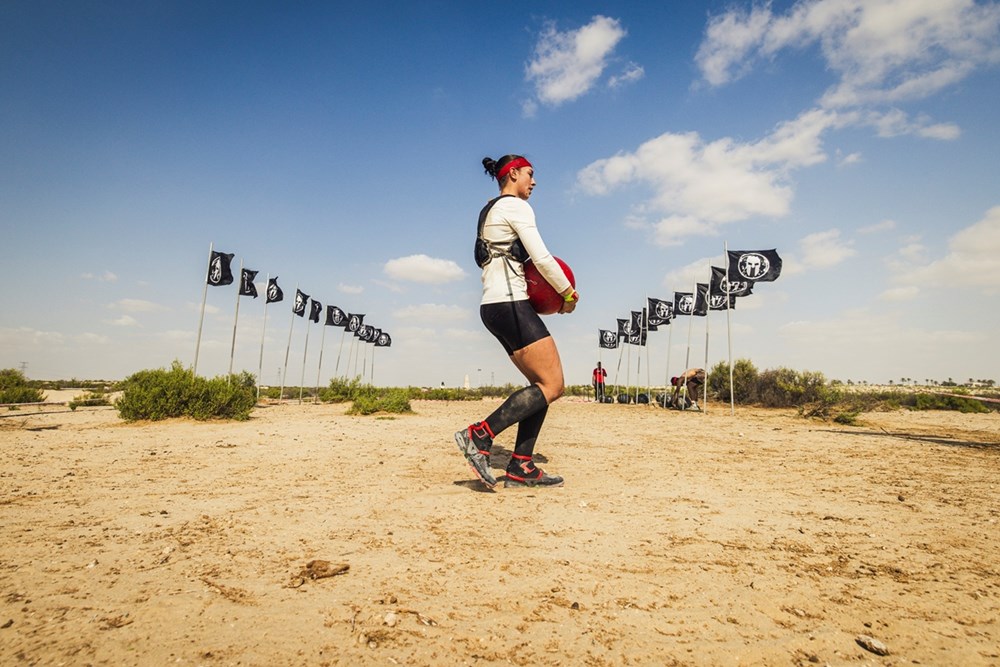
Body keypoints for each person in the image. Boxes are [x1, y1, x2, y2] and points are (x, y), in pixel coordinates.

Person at [454, 154, 578, 490]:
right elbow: (542, 258)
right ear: (512, 174)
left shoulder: (489, 209)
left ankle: (521, 465)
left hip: (494, 306)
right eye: (530, 174)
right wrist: (568, 294)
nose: (534, 182)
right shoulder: (515, 207)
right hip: (509, 304)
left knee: (541, 386)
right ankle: (479, 435)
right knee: (553, 385)